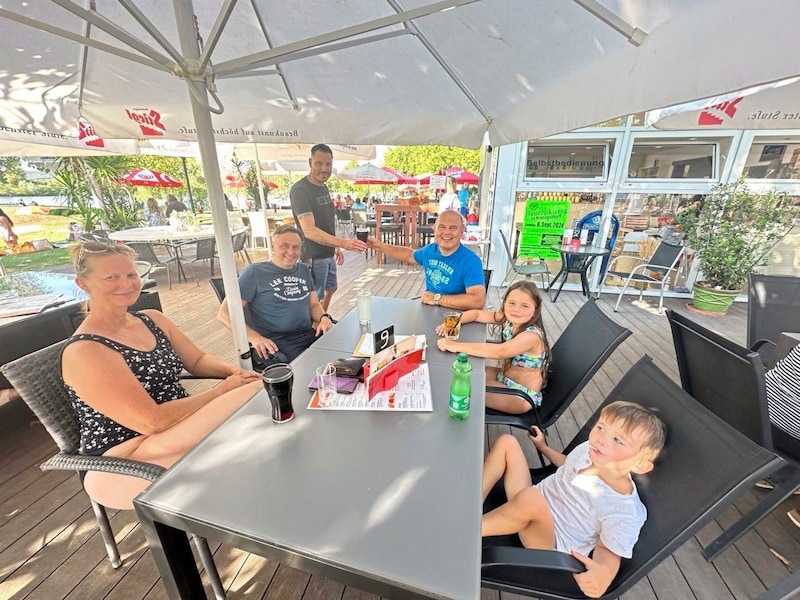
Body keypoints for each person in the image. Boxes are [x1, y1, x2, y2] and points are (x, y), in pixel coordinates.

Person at [61, 241, 262, 510]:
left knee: (257, 400)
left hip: (176, 428)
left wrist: (235, 373)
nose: (127, 283)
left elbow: (198, 360)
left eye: (131, 274)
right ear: (83, 283)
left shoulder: (152, 319)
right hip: (122, 460)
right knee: (253, 403)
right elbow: (152, 421)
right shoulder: (86, 350)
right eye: (111, 277)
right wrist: (223, 390)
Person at [482, 401, 666, 598]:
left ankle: (465, 529)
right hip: (530, 500)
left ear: (639, 465)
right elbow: (566, 463)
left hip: (548, 542)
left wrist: (604, 574)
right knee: (507, 442)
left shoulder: (624, 509)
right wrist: (543, 448)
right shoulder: (591, 449)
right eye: (601, 427)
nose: (602, 439)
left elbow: (609, 550)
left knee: (531, 499)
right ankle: (473, 501)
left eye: (618, 440)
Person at [217, 225, 335, 363]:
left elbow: (314, 304)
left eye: (296, 247)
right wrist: (254, 337)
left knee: (347, 354)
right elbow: (224, 314)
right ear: (273, 246)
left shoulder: (303, 269)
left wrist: (324, 318)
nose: (291, 252)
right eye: (285, 246)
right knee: (320, 367)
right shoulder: (254, 272)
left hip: (310, 334)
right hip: (278, 344)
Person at [436, 280, 550, 413]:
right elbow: (477, 314)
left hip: (521, 396)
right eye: (511, 303)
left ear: (535, 309)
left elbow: (500, 352)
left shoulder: (532, 336)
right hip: (505, 377)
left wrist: (456, 346)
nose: (516, 309)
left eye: (525, 306)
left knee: (460, 386)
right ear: (505, 302)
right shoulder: (507, 319)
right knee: (457, 375)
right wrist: (455, 322)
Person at [290, 143, 368, 312]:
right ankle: (315, 328)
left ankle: (322, 318)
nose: (324, 168)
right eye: (319, 163)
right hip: (313, 254)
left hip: (328, 251)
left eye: (328, 164)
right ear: (310, 162)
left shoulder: (323, 187)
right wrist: (344, 243)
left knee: (331, 288)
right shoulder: (300, 190)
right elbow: (309, 230)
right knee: (314, 296)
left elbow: (326, 221)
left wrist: (336, 247)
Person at [368, 210, 485, 310]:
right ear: (434, 230)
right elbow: (409, 255)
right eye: (441, 227)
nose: (446, 232)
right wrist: (380, 246)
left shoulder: (471, 261)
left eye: (453, 228)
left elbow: (478, 301)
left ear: (461, 232)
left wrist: (437, 299)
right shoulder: (430, 251)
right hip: (429, 312)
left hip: (458, 320)